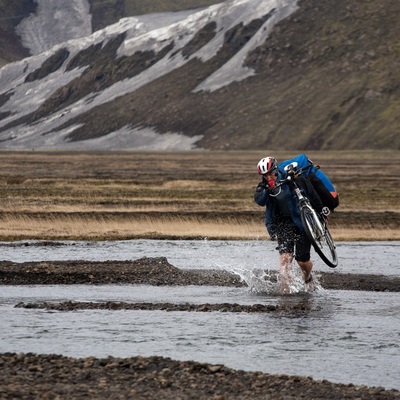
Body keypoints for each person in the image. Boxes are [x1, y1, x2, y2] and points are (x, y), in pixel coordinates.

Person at [254, 156, 325, 289]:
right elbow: (259, 201)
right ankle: (285, 296)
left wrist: (321, 212)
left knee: (302, 261)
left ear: (275, 170)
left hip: (301, 221)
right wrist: (267, 190)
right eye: (265, 175)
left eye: (270, 174)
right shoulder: (263, 186)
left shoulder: (291, 177)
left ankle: (308, 276)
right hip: (282, 223)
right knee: (285, 260)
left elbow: (311, 194)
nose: (268, 177)